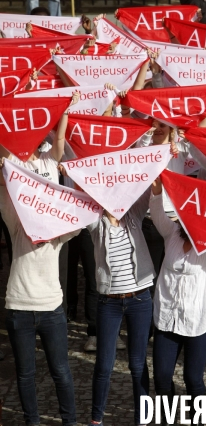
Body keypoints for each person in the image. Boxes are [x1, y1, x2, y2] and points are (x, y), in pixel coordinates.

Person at [0, 93, 80, 426]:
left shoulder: (49, 165)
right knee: (26, 374)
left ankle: (70, 421)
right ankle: (32, 422)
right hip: (18, 306)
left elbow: (60, 141)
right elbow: (4, 153)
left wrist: (65, 106)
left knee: (62, 372)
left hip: (51, 308)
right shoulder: (15, 221)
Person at [149, 177, 206, 423]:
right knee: (161, 376)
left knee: (193, 378)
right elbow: (157, 208)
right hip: (168, 316)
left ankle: (199, 420)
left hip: (198, 318)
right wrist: (158, 186)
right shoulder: (171, 232)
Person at [86, 189, 156, 426]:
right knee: (104, 364)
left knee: (137, 363)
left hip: (140, 300)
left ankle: (142, 419)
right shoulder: (96, 222)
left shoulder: (133, 215)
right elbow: (79, 200)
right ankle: (96, 419)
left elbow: (148, 189)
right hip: (109, 302)